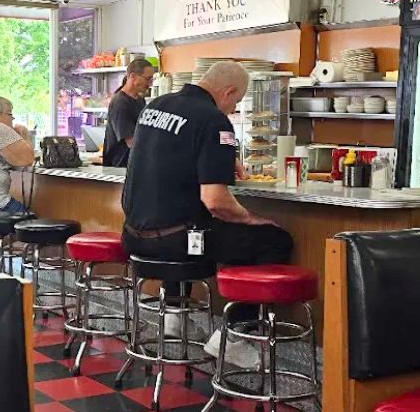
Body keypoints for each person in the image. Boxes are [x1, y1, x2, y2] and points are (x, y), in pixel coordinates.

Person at [121, 60, 293, 369]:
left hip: (133, 238)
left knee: (189, 220)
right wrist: (251, 218)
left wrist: (222, 162)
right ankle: (234, 335)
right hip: (175, 243)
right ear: (228, 92)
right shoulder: (214, 120)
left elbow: (172, 162)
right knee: (274, 239)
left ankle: (175, 314)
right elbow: (215, 201)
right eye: (236, 102)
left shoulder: (157, 105)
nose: (233, 109)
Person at [102, 58, 155, 168]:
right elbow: (131, 141)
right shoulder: (120, 103)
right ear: (132, 76)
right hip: (120, 166)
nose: (150, 84)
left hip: (134, 164)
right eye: (147, 79)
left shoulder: (140, 100)